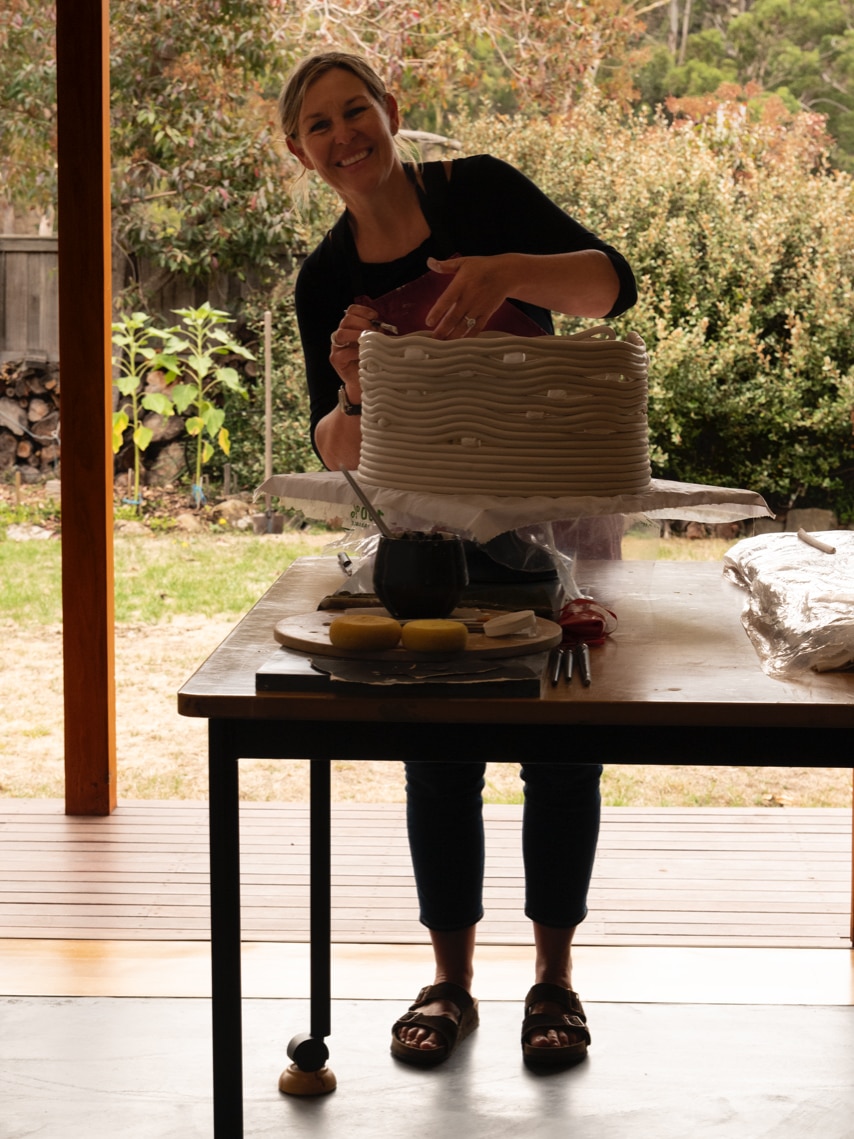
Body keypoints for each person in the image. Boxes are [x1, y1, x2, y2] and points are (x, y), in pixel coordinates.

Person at [279, 50, 637, 1069]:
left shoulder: (476, 191)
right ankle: (449, 979)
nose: (346, 135)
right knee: (438, 753)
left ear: (391, 112)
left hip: (559, 535)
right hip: (422, 548)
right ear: (299, 152)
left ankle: (553, 983)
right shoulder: (326, 277)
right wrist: (349, 387)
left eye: (358, 111)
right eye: (320, 126)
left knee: (560, 754)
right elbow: (335, 451)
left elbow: (613, 287)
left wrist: (506, 271)